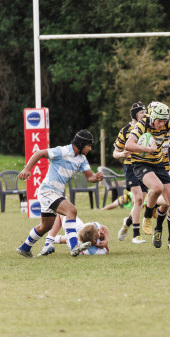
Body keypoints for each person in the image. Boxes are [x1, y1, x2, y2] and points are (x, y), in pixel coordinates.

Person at [16, 129, 104, 257]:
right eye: (88, 145)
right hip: (48, 191)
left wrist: (96, 177)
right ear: (80, 144)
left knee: (46, 226)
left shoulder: (82, 159)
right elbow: (39, 153)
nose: (90, 148)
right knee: (71, 210)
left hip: (56, 194)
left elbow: (90, 177)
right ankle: (74, 246)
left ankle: (24, 248)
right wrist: (27, 169)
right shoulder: (62, 151)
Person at [124, 102, 170, 249]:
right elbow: (128, 145)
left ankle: (153, 211)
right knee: (157, 187)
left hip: (158, 164)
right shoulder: (142, 124)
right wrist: (148, 149)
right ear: (153, 117)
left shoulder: (169, 123)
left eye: (164, 121)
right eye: (159, 121)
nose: (161, 124)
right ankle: (148, 216)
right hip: (141, 163)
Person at [113, 102, 149, 244]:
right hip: (131, 167)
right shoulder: (125, 130)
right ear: (134, 115)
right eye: (141, 113)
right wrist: (122, 154)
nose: (145, 115)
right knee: (138, 199)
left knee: (139, 202)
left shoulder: (148, 128)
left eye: (145, 112)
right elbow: (115, 152)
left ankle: (127, 222)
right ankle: (136, 235)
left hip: (145, 167)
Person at [38, 214, 109, 256]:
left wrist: (105, 240)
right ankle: (51, 240)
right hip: (77, 229)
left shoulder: (77, 241)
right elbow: (107, 251)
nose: (99, 230)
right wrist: (105, 242)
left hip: (76, 229)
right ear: (94, 241)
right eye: (98, 232)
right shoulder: (94, 252)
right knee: (67, 238)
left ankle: (50, 240)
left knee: (61, 212)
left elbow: (103, 228)